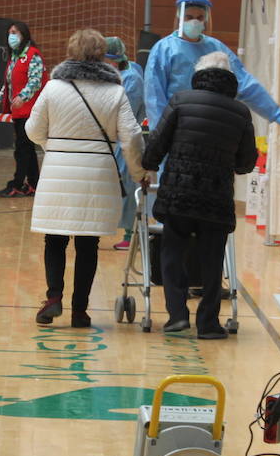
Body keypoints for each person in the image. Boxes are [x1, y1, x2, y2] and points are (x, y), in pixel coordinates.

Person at [26, 29, 146, 327]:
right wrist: (140, 173)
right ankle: (80, 310)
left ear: (71, 52)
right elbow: (131, 138)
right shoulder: (116, 91)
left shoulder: (53, 88)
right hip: (99, 172)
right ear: (102, 54)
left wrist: (54, 146)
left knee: (54, 238)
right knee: (87, 244)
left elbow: (32, 130)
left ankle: (53, 298)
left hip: (57, 171)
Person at [141, 52, 257, 339]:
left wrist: (149, 163)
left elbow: (158, 141)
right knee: (212, 259)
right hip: (215, 198)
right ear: (229, 77)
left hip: (178, 193)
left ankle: (177, 316)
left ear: (199, 74)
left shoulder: (181, 100)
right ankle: (208, 324)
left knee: (172, 253)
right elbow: (246, 162)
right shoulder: (240, 112)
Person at [143, 0, 280, 132]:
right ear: (180, 18)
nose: (194, 22)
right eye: (189, 17)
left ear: (206, 19)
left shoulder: (216, 48)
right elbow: (155, 97)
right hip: (177, 126)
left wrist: (273, 113)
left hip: (211, 126)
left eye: (200, 17)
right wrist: (161, 133)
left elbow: (244, 82)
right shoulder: (164, 49)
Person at [0, 21, 47, 197]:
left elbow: (35, 81)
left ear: (23, 34)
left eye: (14, 32)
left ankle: (16, 183)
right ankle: (34, 183)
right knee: (27, 148)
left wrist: (23, 96)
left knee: (22, 148)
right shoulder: (15, 57)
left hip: (30, 110)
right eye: (9, 32)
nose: (11, 36)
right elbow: (8, 84)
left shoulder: (33, 55)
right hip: (19, 111)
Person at [105, 35, 145, 250]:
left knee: (129, 187)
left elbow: (124, 112)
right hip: (114, 140)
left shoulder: (132, 78)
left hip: (127, 140)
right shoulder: (119, 73)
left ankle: (132, 235)